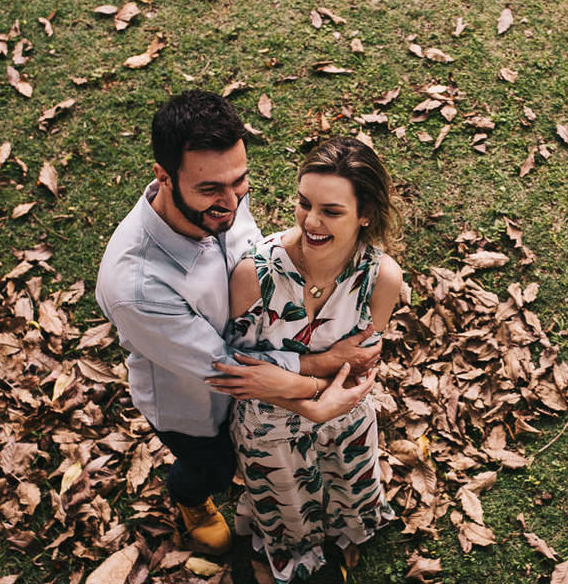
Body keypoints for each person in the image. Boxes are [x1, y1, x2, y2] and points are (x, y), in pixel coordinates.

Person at [95, 91, 378, 556]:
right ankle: (189, 500)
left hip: (269, 358)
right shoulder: (135, 286)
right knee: (212, 466)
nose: (230, 203)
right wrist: (318, 377)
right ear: (163, 177)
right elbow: (225, 368)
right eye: (211, 190)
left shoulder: (219, 193)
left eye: (239, 181)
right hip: (195, 402)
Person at [209, 137, 402, 584]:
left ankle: (350, 528)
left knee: (348, 491)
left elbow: (363, 362)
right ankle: (294, 553)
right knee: (287, 507)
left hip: (346, 415)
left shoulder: (381, 278)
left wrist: (296, 385)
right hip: (268, 426)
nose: (311, 221)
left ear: (366, 214)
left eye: (331, 212)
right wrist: (313, 396)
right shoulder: (254, 275)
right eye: (303, 203)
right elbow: (237, 369)